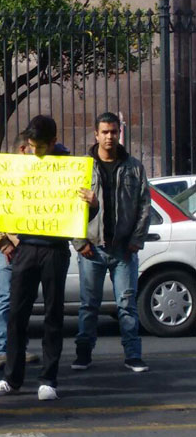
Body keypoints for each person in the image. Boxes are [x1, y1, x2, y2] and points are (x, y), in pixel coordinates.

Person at [0, 115, 97, 401]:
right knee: (15, 315)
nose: (33, 151)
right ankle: (12, 378)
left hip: (55, 250)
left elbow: (80, 216)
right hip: (24, 249)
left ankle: (49, 379)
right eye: (30, 145)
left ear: (53, 141)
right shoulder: (20, 164)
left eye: (38, 146)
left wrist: (92, 206)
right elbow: (2, 203)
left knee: (52, 315)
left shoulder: (70, 167)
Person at [71, 112, 151, 373]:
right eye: (104, 132)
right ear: (96, 134)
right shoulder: (82, 167)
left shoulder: (134, 167)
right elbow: (69, 208)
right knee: (88, 306)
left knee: (127, 305)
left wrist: (136, 240)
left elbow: (144, 205)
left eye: (113, 132)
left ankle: (133, 356)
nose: (109, 136)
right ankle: (83, 355)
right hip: (91, 248)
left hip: (123, 249)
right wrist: (79, 241)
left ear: (119, 133)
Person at [0, 133, 40, 370]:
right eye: (35, 149)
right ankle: (1, 349)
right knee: (6, 298)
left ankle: (19, 348)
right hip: (7, 248)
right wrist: (1, 241)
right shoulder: (0, 176)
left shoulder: (42, 176)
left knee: (24, 300)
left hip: (31, 247)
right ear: (22, 149)